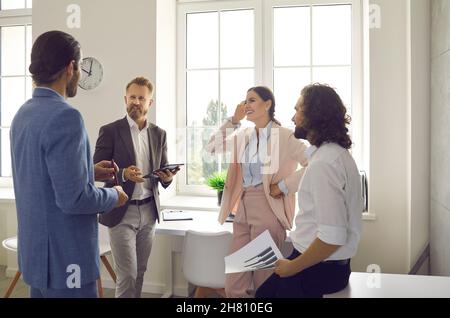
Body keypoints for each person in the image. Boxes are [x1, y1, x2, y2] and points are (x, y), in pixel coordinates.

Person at [10, 30, 129, 298]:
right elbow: (74, 200)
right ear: (71, 67)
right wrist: (114, 195)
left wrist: (87, 169)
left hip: (36, 259)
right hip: (67, 261)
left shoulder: (22, 115)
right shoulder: (67, 117)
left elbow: (38, 175)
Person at [255, 83, 363, 298]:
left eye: (298, 110)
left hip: (319, 269)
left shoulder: (325, 164)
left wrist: (292, 267)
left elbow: (332, 237)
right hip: (320, 262)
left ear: (315, 114)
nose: (293, 117)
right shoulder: (331, 155)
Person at [205, 86, 308, 298]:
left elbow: (314, 164)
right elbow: (212, 148)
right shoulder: (244, 135)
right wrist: (233, 120)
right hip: (242, 208)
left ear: (267, 104)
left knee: (263, 281)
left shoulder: (286, 136)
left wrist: (284, 186)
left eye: (252, 100)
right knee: (235, 282)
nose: (246, 105)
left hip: (269, 207)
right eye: (245, 101)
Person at [93, 76, 178, 298]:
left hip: (149, 211)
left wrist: (168, 178)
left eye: (142, 98)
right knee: (127, 274)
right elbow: (96, 170)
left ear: (151, 103)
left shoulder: (159, 134)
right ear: (125, 99)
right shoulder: (110, 131)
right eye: (132, 97)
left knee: (140, 272)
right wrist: (123, 174)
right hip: (122, 210)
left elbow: (162, 171)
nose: (136, 102)